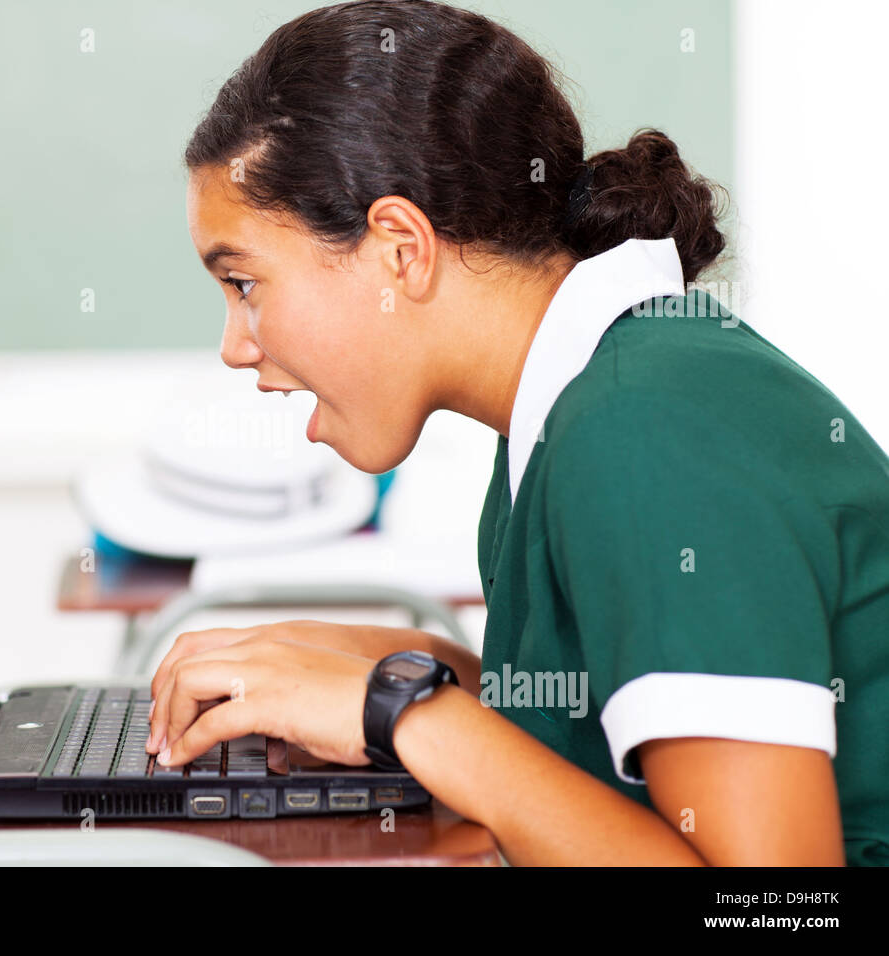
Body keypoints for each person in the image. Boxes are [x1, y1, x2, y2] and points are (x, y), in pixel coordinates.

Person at [145, 0, 889, 865]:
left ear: (398, 249)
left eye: (244, 283)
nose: (237, 346)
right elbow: (601, 749)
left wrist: (407, 716)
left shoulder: (642, 431)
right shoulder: (577, 404)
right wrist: (414, 667)